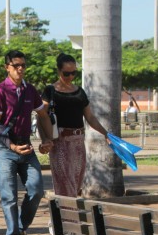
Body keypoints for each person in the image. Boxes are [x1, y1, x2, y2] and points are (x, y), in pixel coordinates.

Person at [0, 50, 54, 235]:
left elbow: (43, 114)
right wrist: (12, 146)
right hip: (5, 149)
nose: (21, 69)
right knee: (9, 196)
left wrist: (47, 139)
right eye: (16, 65)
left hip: (27, 147)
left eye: (23, 65)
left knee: (36, 191)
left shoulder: (30, 90)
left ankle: (22, 228)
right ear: (7, 67)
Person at [41, 53, 109, 198]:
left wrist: (105, 133)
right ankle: (68, 219)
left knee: (76, 183)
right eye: (66, 73)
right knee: (66, 185)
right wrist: (45, 139)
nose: (70, 77)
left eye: (74, 73)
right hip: (60, 142)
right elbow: (42, 116)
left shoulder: (79, 92)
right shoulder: (50, 91)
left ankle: (61, 219)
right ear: (59, 71)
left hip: (78, 143)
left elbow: (90, 117)